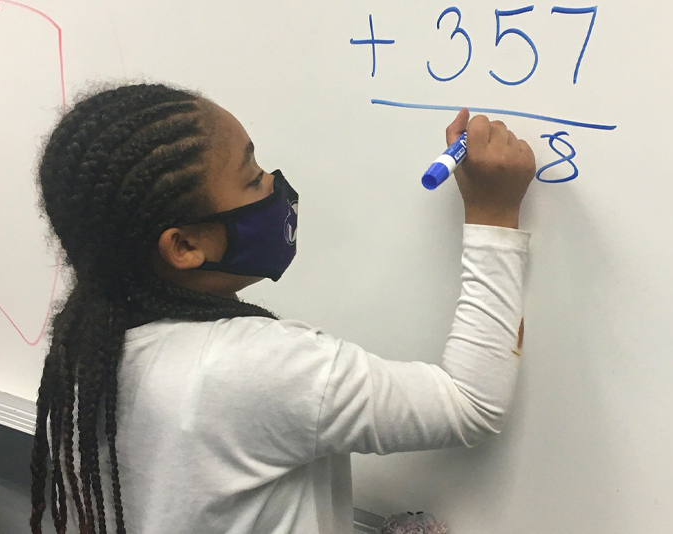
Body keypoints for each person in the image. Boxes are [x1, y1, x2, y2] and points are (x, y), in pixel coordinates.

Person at [29, 83, 536, 534]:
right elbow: (470, 404)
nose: (274, 183)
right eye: (252, 179)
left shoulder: (88, 347)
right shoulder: (256, 368)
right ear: (184, 246)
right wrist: (493, 212)